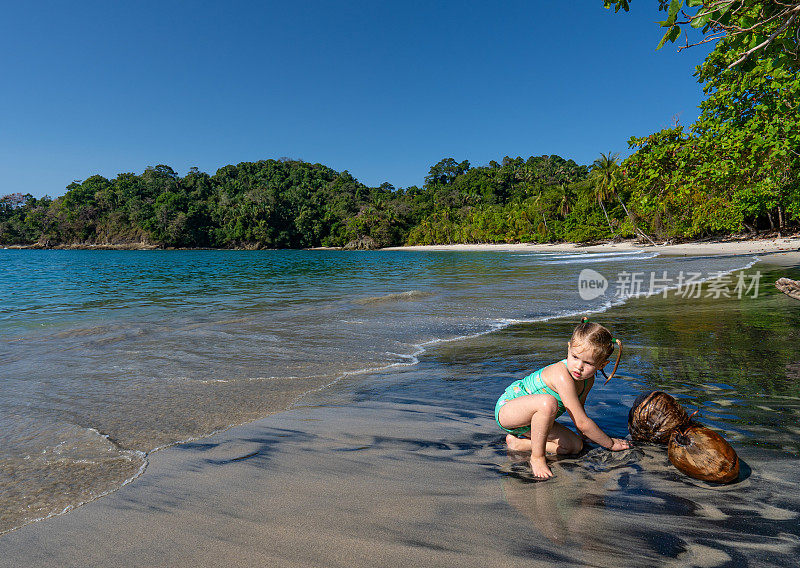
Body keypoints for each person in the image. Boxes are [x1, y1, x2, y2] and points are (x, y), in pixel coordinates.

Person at [495, 319, 631, 479]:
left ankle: (519, 444)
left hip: (534, 423)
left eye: (587, 363)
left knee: (575, 446)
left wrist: (584, 435)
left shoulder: (588, 380)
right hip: (509, 410)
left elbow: (579, 413)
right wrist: (610, 443)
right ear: (568, 348)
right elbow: (582, 422)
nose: (579, 366)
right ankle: (537, 457)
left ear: (602, 364)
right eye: (574, 357)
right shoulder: (561, 374)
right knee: (548, 403)